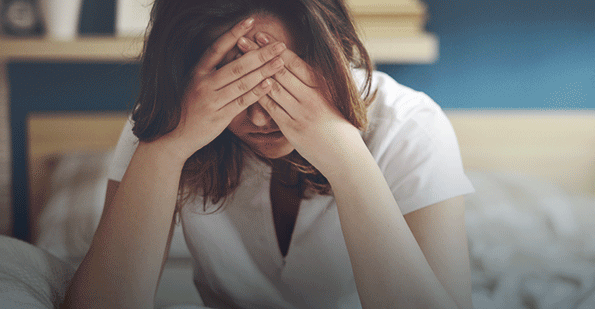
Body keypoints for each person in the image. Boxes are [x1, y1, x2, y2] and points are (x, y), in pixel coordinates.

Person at [62, 0, 475, 308]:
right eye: (234, 84)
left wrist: (345, 156)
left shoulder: (409, 126)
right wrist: (168, 147)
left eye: (283, 78)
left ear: (333, 55)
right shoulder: (168, 120)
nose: (261, 117)